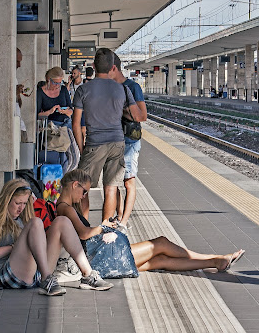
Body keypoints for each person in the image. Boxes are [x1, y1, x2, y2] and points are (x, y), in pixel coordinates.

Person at [55, 170, 246, 273]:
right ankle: (214, 258)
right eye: (84, 191)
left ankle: (215, 261)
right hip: (98, 259)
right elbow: (84, 233)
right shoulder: (65, 208)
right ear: (74, 185)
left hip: (95, 257)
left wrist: (103, 228)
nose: (84, 196)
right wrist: (104, 226)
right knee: (160, 243)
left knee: (161, 260)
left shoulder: (65, 206)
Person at [0, 179, 113, 295]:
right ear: (7, 199)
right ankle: (47, 279)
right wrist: (13, 247)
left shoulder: (21, 218)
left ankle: (88, 275)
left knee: (61, 221)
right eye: (17, 203)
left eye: (25, 203)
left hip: (34, 272)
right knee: (35, 222)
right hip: (9, 275)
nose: (21, 208)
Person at [72, 48, 140, 224]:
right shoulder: (123, 90)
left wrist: (82, 148)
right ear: (112, 67)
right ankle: (106, 229)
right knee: (111, 188)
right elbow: (138, 116)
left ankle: (84, 228)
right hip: (118, 142)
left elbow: (76, 125)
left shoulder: (83, 90)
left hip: (94, 143)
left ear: (93, 66)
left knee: (82, 187)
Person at [112, 53, 148, 233]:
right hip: (112, 138)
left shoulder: (133, 87)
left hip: (129, 139)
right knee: (114, 181)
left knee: (128, 181)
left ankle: (124, 221)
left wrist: (120, 110)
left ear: (113, 69)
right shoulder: (108, 87)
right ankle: (118, 216)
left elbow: (142, 115)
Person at [15, 48, 28, 142]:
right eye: (17, 61)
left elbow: (18, 105)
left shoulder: (14, 79)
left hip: (20, 125)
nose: (19, 65)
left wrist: (18, 94)